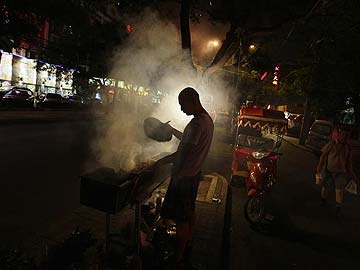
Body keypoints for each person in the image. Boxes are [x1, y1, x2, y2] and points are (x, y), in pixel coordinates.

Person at [155, 87, 214, 268]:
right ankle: (188, 241)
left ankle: (178, 258)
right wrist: (173, 130)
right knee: (189, 212)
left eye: (182, 105)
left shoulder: (196, 124)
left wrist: (158, 162)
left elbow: (182, 153)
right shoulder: (207, 120)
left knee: (181, 220)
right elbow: (188, 140)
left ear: (192, 101)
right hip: (194, 174)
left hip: (184, 178)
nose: (181, 109)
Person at [316, 126, 356, 217]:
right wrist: (319, 169)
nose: (345, 137)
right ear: (339, 135)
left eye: (347, 136)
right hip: (328, 170)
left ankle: (338, 207)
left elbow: (349, 163)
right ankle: (323, 200)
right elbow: (323, 156)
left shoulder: (348, 148)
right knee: (325, 186)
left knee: (339, 190)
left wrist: (352, 175)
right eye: (343, 135)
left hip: (341, 172)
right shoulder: (331, 144)